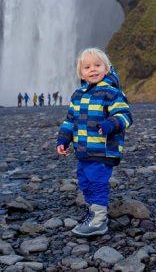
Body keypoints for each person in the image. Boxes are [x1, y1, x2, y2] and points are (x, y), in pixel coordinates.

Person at [56, 48, 132, 236]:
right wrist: (64, 140)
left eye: (98, 65)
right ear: (80, 72)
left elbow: (125, 115)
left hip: (103, 149)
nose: (93, 69)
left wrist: (110, 124)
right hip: (83, 150)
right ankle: (94, 212)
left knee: (97, 181)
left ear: (106, 69)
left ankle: (99, 220)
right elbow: (70, 121)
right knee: (85, 181)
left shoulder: (112, 93)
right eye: (87, 67)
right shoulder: (77, 95)